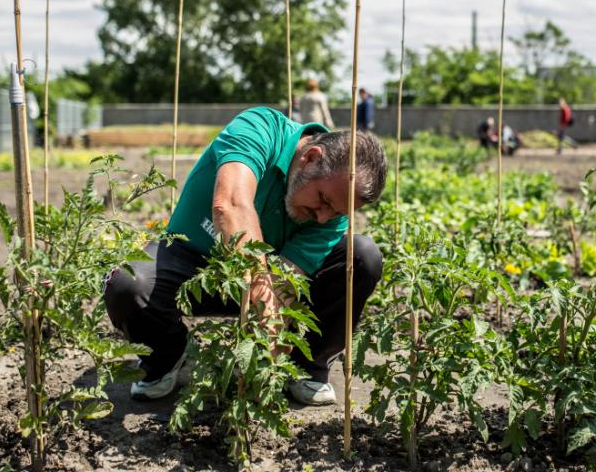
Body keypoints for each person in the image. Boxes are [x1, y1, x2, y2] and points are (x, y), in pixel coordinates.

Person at [104, 107, 387, 406]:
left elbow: (288, 277)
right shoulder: (260, 128)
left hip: (262, 279)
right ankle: (168, 356)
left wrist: (270, 336)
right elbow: (231, 204)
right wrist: (264, 302)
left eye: (337, 212)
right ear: (311, 157)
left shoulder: (331, 215)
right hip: (191, 261)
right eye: (323, 200)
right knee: (126, 283)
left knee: (362, 256)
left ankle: (307, 365)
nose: (323, 217)